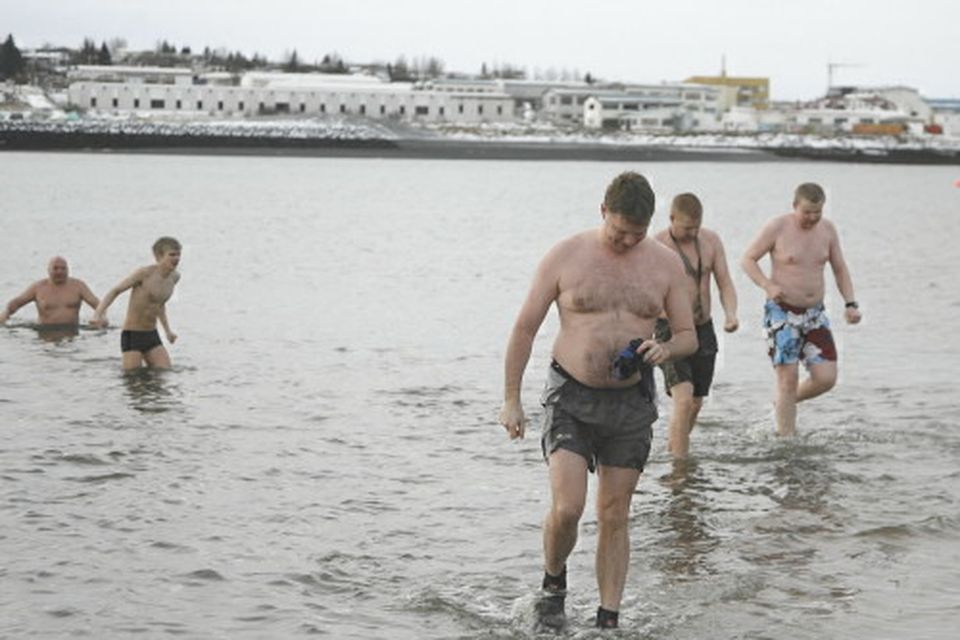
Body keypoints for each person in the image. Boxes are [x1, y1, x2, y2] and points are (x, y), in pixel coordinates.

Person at [498, 172, 696, 630]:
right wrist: (511, 399)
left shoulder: (665, 264)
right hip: (570, 394)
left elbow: (686, 335)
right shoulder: (566, 256)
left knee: (614, 512)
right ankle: (554, 583)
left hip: (630, 404)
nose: (627, 241)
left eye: (637, 233)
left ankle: (609, 619)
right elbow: (524, 327)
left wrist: (666, 349)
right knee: (568, 508)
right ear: (602, 211)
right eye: (619, 230)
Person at [740, 182, 861, 436]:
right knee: (787, 378)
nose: (812, 218)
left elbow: (839, 268)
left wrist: (850, 303)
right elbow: (747, 259)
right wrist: (767, 284)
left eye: (818, 212)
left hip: (815, 314)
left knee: (826, 378)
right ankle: (787, 440)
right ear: (795, 206)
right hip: (782, 313)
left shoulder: (827, 230)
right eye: (807, 212)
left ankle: (783, 403)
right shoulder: (778, 227)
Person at [653, 193, 739, 460]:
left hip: (703, 327)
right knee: (683, 397)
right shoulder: (657, 245)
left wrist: (731, 314)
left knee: (697, 401)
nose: (691, 233)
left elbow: (724, 282)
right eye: (686, 227)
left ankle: (674, 449)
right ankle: (681, 468)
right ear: (671, 219)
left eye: (696, 227)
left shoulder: (711, 241)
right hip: (671, 329)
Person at [91, 237, 182, 370]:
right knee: (133, 378)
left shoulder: (174, 277)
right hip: (132, 334)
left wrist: (168, 331)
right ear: (159, 256)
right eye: (172, 255)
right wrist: (97, 314)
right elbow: (116, 291)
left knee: (165, 372)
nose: (176, 258)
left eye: (178, 254)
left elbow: (159, 305)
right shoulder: (144, 274)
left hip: (151, 334)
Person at [0, 256, 100, 334]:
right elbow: (17, 302)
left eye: (63, 268)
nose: (59, 271)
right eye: (55, 268)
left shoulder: (78, 286)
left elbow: (98, 304)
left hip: (71, 334)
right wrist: (5, 314)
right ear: (48, 270)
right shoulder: (38, 287)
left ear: (68, 270)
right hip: (45, 333)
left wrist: (100, 317)